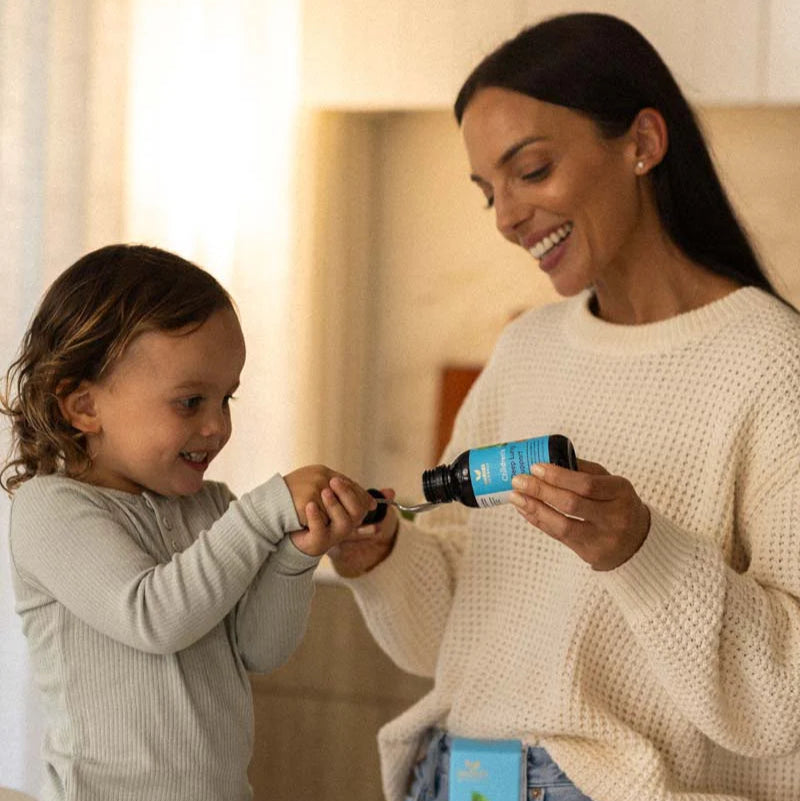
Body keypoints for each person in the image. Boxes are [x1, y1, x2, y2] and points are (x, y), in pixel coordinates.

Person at [328, 12, 800, 801]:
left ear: (642, 142)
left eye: (532, 170)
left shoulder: (771, 364)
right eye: (489, 193)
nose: (509, 216)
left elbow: (786, 692)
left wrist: (642, 549)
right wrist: (381, 557)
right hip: (458, 776)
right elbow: (451, 631)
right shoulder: (526, 351)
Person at [1, 244, 378, 801]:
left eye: (226, 399)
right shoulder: (51, 510)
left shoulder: (211, 508)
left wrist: (296, 554)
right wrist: (261, 510)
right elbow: (155, 616)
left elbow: (258, 649)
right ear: (84, 407)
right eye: (189, 402)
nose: (216, 427)